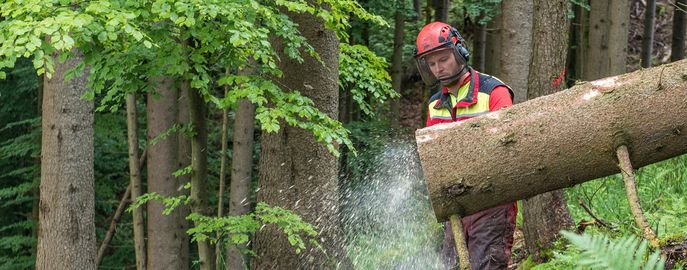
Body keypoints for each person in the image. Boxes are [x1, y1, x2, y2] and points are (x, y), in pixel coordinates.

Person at [414, 21, 517, 269]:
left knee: (486, 264)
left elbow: (510, 146)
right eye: (432, 63)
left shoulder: (493, 92)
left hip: (493, 201)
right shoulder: (435, 104)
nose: (438, 68)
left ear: (459, 52)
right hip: (457, 206)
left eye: (443, 59)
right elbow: (433, 157)